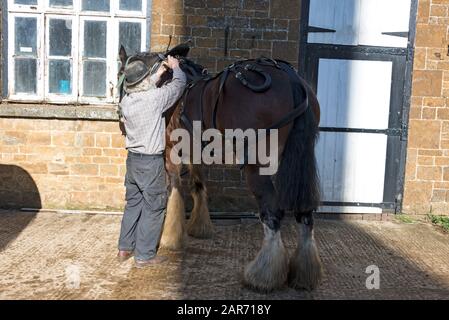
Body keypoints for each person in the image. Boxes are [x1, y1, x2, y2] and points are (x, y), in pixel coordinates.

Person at [117, 55, 186, 268]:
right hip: (150, 163)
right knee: (154, 206)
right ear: (144, 81)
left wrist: (160, 72)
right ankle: (145, 256)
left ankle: (124, 248)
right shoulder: (155, 100)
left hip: (133, 161)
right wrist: (175, 68)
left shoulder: (126, 101)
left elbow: (143, 87)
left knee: (133, 204)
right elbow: (179, 85)